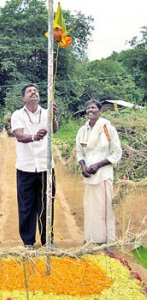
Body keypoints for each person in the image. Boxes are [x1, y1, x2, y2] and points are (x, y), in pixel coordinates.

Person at [11, 84, 58, 249]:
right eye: (29, 91)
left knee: (47, 205)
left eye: (36, 90)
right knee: (26, 207)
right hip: (26, 168)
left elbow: (54, 129)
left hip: (46, 167)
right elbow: (18, 135)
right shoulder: (17, 114)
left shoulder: (46, 113)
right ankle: (28, 242)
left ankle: (48, 240)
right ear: (23, 98)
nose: (34, 92)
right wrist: (34, 136)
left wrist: (53, 117)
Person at [76, 100, 122, 245]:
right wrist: (83, 167)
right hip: (89, 177)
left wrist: (98, 165)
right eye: (88, 107)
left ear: (100, 112)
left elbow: (116, 153)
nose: (90, 109)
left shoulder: (108, 128)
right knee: (90, 209)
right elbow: (79, 152)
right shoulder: (82, 131)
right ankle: (90, 240)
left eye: (94, 107)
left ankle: (108, 242)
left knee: (105, 209)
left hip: (103, 175)